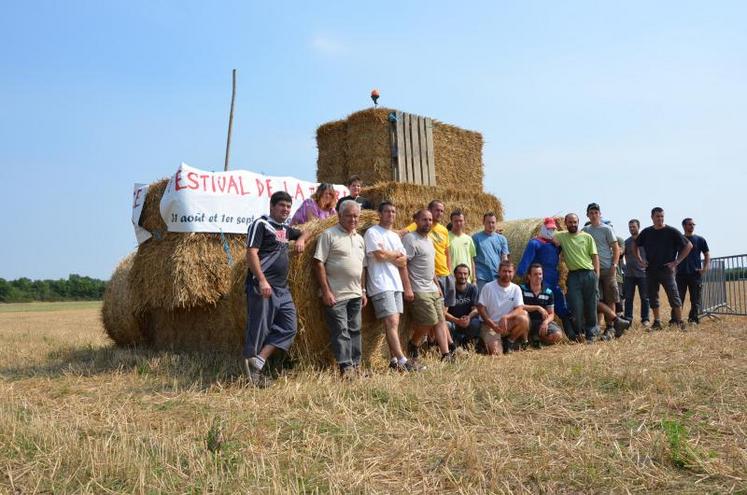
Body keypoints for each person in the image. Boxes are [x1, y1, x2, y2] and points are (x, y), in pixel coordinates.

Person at [244, 191, 309, 387]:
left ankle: (260, 359)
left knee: (289, 327)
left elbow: (306, 231)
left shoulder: (284, 229)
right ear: (272, 206)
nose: (286, 209)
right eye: (282, 206)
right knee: (259, 329)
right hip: (262, 285)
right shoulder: (261, 224)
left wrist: (300, 239)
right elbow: (251, 253)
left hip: (282, 289)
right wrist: (262, 280)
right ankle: (252, 376)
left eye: (288, 207)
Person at [363, 201, 420, 372]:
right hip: (381, 283)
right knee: (392, 320)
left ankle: (394, 360)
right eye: (387, 211)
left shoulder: (395, 237)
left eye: (393, 211)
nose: (391, 214)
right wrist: (394, 254)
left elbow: (403, 261)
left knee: (394, 322)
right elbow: (378, 256)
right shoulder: (372, 233)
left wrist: (389, 255)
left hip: (396, 284)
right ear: (379, 214)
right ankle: (403, 360)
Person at [313, 200, 367, 376]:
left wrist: (363, 290)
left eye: (356, 216)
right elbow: (318, 263)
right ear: (339, 216)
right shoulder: (329, 235)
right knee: (341, 331)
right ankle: (346, 368)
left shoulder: (359, 239)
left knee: (356, 330)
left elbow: (362, 267)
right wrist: (326, 291)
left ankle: (356, 365)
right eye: (349, 215)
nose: (353, 219)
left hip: (355, 294)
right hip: (336, 294)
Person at [402, 209, 455, 363]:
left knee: (440, 320)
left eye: (430, 220)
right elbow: (404, 264)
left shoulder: (429, 240)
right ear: (415, 221)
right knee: (429, 320)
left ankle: (446, 355)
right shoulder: (410, 239)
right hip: (418, 288)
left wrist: (437, 285)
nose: (428, 223)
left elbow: (431, 268)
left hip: (432, 287)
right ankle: (413, 343)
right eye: (424, 219)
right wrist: (408, 288)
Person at [632, 207, 692, 330]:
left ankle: (680, 322)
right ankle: (657, 322)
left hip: (667, 270)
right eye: (657, 216)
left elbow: (689, 245)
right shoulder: (646, 232)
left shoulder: (671, 231)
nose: (660, 218)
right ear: (652, 217)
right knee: (653, 296)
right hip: (651, 269)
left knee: (674, 296)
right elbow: (635, 244)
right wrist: (639, 260)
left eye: (662, 216)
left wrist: (677, 261)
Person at [516, 217, 576, 339]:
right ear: (543, 228)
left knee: (561, 306)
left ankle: (572, 335)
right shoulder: (535, 243)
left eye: (554, 229)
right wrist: (519, 274)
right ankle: (532, 335)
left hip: (554, 281)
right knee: (541, 308)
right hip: (540, 281)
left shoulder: (555, 245)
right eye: (549, 228)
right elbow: (526, 260)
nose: (551, 231)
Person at [582, 203, 630, 339]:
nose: (594, 215)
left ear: (600, 214)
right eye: (591, 213)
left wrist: (614, 265)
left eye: (596, 212)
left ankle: (610, 328)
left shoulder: (607, 229)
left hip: (608, 269)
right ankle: (598, 325)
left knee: (611, 299)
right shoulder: (585, 230)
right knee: (596, 299)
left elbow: (615, 248)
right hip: (592, 270)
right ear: (587, 215)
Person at [551, 213, 600, 342]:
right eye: (570, 222)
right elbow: (549, 236)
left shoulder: (587, 237)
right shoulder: (561, 236)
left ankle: (592, 333)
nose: (573, 224)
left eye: (575, 222)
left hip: (589, 273)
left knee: (591, 304)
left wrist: (596, 274)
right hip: (573, 275)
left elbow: (595, 256)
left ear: (578, 222)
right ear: (565, 223)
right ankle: (579, 332)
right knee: (575, 305)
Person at [403, 200, 454, 307]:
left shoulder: (444, 230)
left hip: (445, 275)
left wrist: (450, 272)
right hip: (432, 277)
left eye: (442, 211)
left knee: (446, 306)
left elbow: (447, 251)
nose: (439, 213)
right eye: (437, 210)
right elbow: (402, 233)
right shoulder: (418, 225)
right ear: (429, 210)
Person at [477, 260, 529, 355]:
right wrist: (493, 325)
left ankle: (509, 342)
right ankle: (487, 343)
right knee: (496, 353)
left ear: (513, 273)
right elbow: (480, 308)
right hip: (490, 326)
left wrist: (506, 317)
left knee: (524, 319)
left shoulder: (516, 288)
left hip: (506, 324)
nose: (507, 274)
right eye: (504, 271)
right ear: (499, 272)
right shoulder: (488, 287)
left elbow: (520, 308)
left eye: (510, 271)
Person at [521, 263, 564, 347]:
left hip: (541, 322)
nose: (538, 277)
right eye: (535, 274)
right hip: (526, 322)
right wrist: (538, 308)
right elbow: (519, 307)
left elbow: (551, 313)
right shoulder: (522, 289)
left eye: (540, 274)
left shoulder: (548, 292)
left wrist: (545, 323)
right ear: (529, 276)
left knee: (558, 335)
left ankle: (537, 340)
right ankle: (528, 339)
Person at [676, 217, 710, 324]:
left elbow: (707, 254)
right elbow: (671, 253)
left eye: (693, 224)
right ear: (684, 226)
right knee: (678, 299)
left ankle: (693, 319)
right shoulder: (679, 239)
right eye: (690, 224)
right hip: (680, 274)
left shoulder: (700, 239)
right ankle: (676, 320)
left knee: (695, 300)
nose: (692, 226)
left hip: (695, 274)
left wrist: (705, 268)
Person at [445, 264, 481, 349]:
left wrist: (468, 317)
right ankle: (452, 344)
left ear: (468, 275)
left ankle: (467, 342)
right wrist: (457, 320)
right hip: (453, 321)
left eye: (465, 274)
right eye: (460, 273)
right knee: (446, 324)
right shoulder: (449, 289)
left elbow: (476, 309)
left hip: (466, 321)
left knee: (476, 323)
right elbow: (443, 312)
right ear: (455, 274)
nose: (463, 276)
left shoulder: (473, 288)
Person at [473, 212, 510, 294]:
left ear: (496, 223)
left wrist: (506, 273)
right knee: (482, 303)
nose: (491, 225)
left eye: (493, 222)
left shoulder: (502, 239)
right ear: (483, 223)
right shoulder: (476, 238)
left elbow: (504, 258)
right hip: (481, 277)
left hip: (497, 276)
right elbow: (472, 258)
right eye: (488, 222)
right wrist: (474, 278)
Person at [623, 219, 650, 326]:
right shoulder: (626, 242)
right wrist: (624, 266)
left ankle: (645, 319)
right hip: (629, 274)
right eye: (630, 227)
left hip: (643, 274)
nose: (631, 229)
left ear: (638, 227)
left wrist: (647, 265)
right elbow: (622, 256)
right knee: (628, 298)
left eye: (633, 227)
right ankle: (628, 319)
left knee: (645, 298)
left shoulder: (645, 241)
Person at [448, 210, 477, 283]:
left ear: (464, 222)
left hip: (467, 280)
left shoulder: (468, 239)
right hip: (452, 279)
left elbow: (472, 260)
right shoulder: (446, 237)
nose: (458, 223)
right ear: (451, 222)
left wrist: (474, 279)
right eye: (456, 221)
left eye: (461, 221)